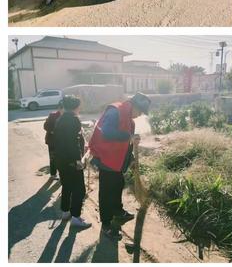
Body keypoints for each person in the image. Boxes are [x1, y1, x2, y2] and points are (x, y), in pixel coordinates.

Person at [88, 92, 151, 239]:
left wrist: (132, 158)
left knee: (118, 186)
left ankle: (118, 211)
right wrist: (129, 137)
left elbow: (128, 145)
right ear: (134, 105)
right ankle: (106, 224)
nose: (140, 115)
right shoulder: (115, 111)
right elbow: (107, 132)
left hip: (118, 161)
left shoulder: (131, 121)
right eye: (140, 111)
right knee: (107, 193)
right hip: (106, 159)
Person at [53, 95, 91, 229]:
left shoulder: (61, 118)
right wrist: (78, 161)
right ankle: (76, 217)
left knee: (67, 186)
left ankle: (65, 212)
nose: (80, 108)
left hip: (61, 160)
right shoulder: (73, 120)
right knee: (79, 190)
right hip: (72, 161)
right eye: (80, 105)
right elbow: (73, 144)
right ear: (76, 106)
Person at [43, 99, 64, 180]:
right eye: (61, 108)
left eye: (64, 108)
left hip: (62, 142)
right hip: (52, 141)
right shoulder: (52, 115)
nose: (62, 110)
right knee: (53, 158)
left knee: (62, 158)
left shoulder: (67, 116)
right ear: (58, 108)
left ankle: (62, 174)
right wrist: (53, 131)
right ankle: (53, 174)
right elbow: (45, 126)